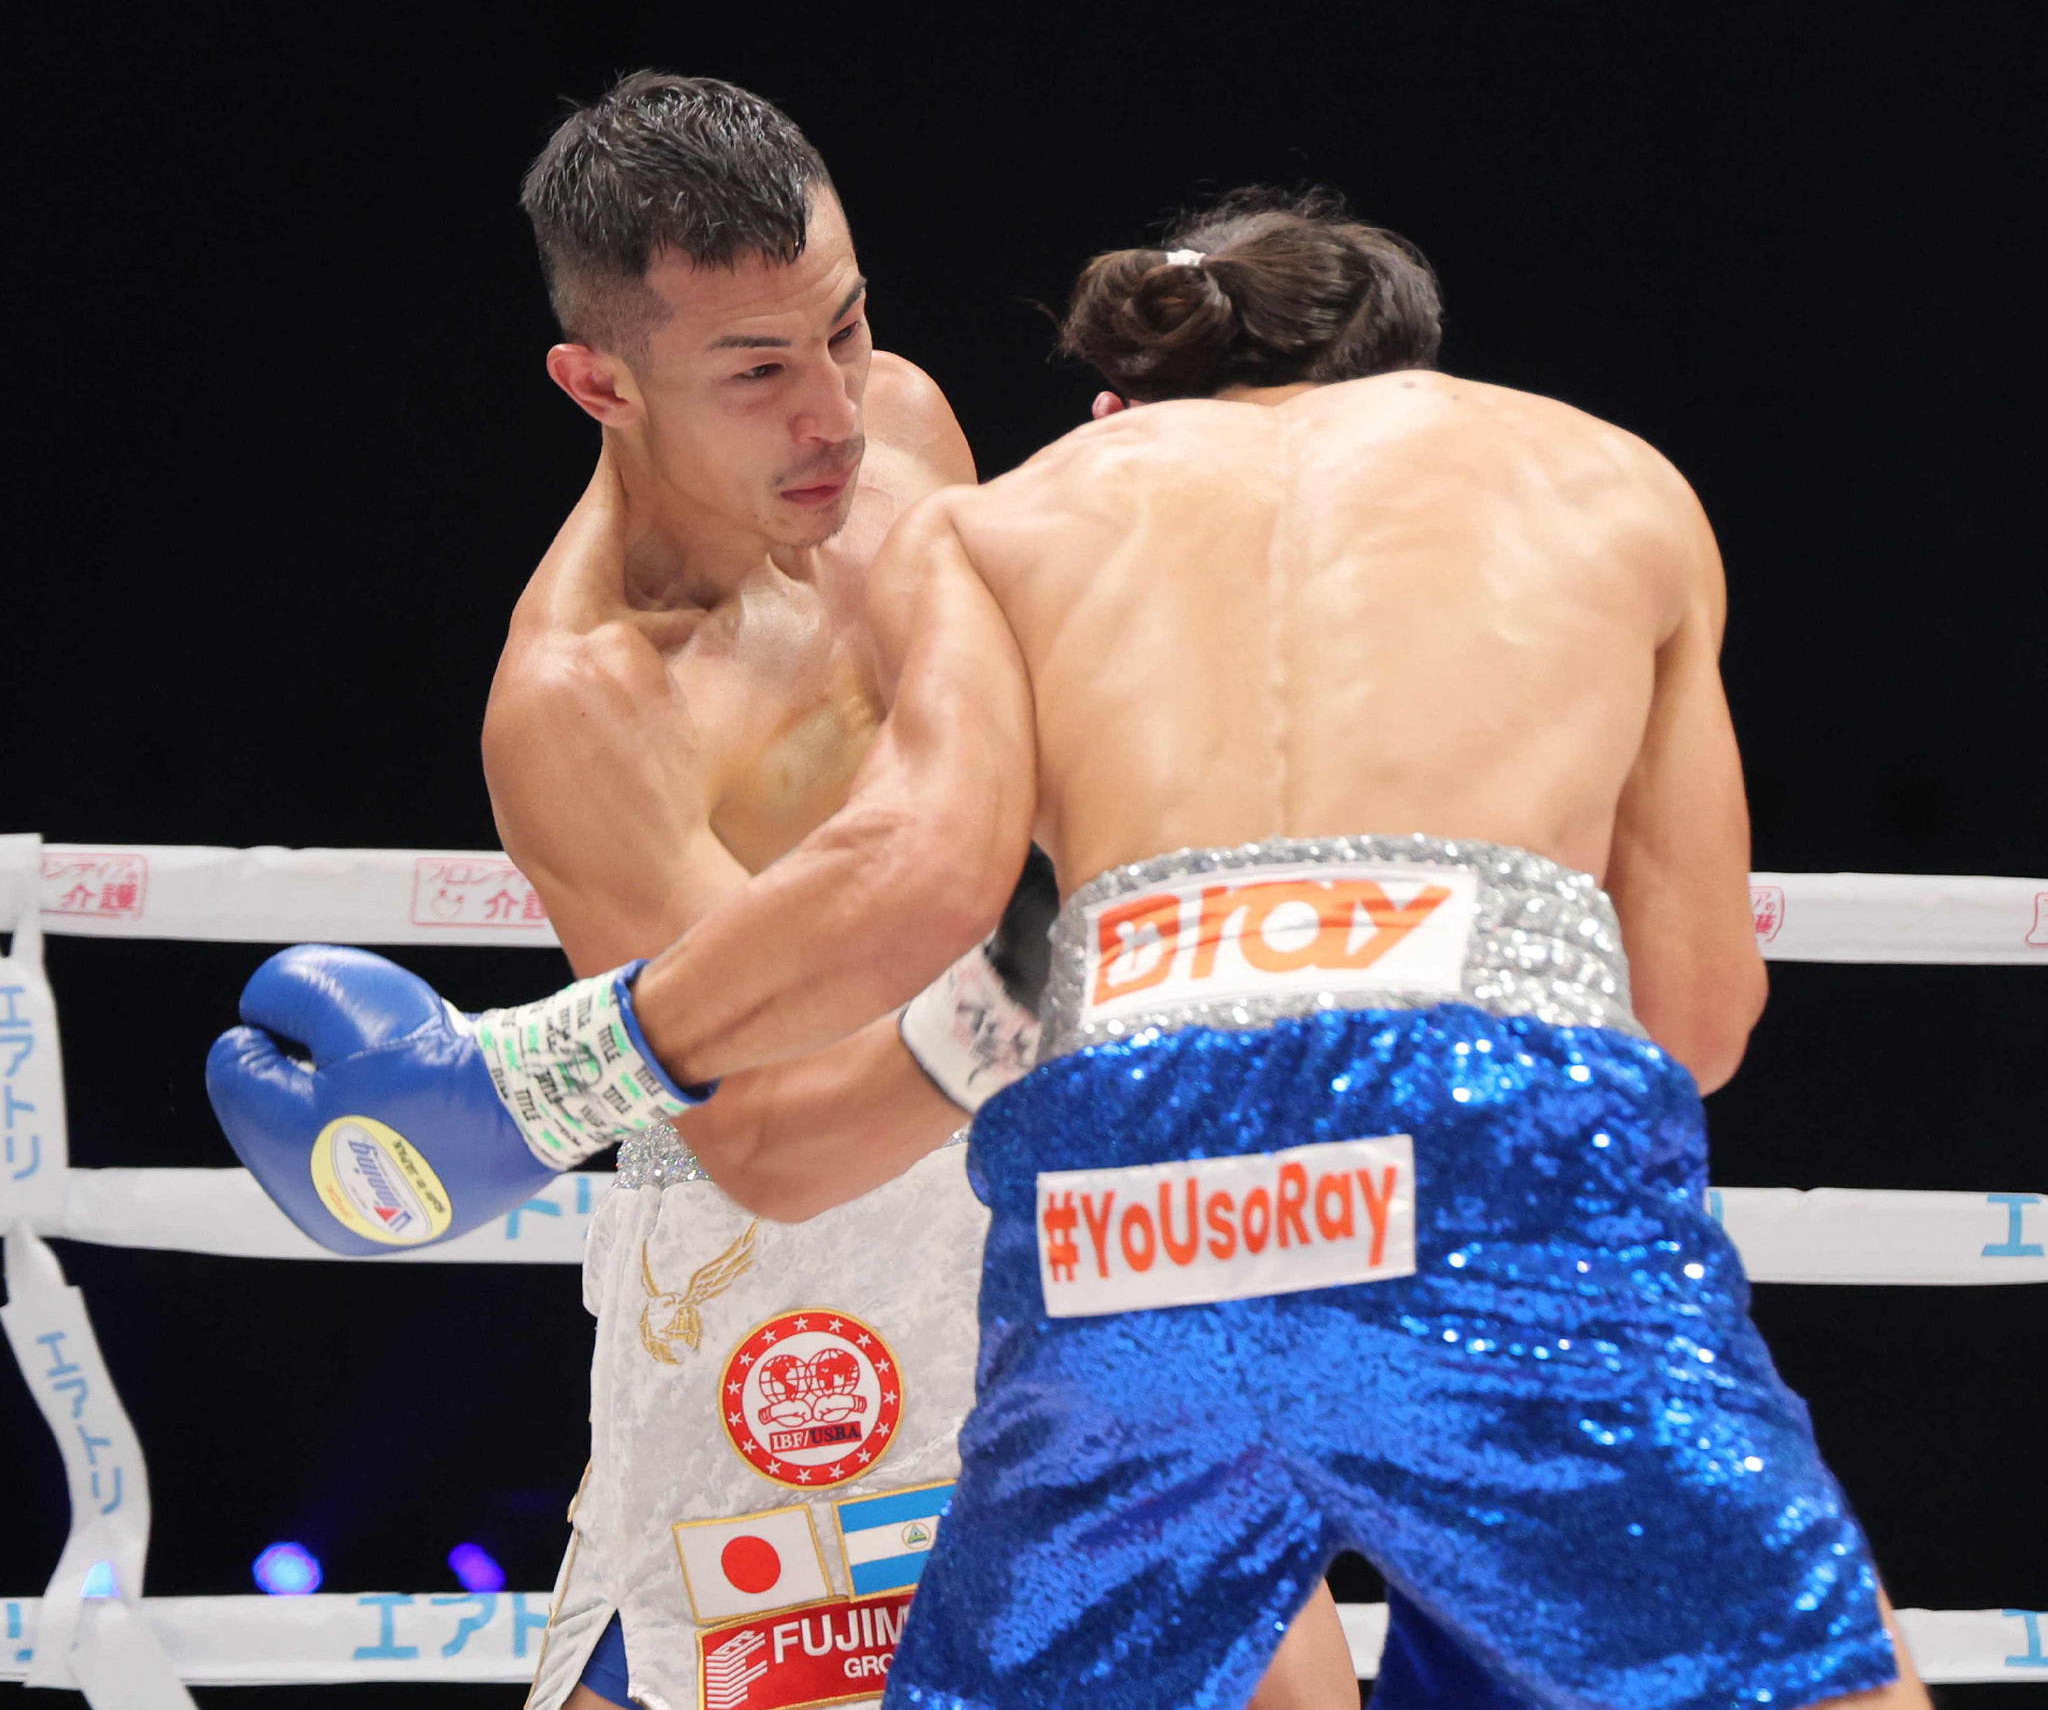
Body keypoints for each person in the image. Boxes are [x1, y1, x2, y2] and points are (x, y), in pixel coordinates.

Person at [516, 191, 1931, 1707]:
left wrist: (534, 1068)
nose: (830, 403)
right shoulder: (1612, 481)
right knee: (1797, 1671)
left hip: (1120, 1183)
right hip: (1469, 1146)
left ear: (1137, 397)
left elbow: (917, 873)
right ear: (1401, 368)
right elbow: (1698, 1019)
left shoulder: (996, 513)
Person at [207, 84, 1360, 1710]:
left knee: (1278, 1670)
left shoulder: (904, 428)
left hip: (1062, 1179)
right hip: (795, 1278)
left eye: (847, 324)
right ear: (600, 382)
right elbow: (766, 1142)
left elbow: (1028, 765)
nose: (832, 411)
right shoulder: (587, 698)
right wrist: (1035, 984)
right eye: (757, 370)